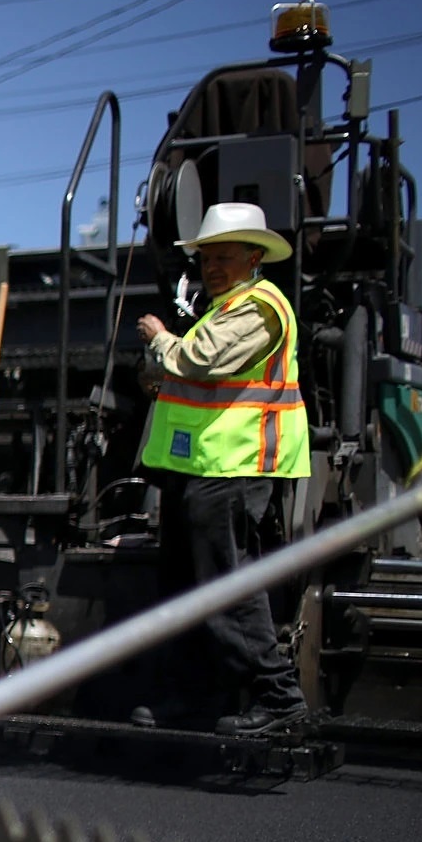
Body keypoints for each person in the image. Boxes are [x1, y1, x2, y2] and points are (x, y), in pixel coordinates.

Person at [133, 202, 310, 737]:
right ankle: (195, 696)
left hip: (234, 465)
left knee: (226, 585)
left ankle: (278, 696)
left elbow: (199, 359)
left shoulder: (259, 307)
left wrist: (161, 339)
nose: (211, 268)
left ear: (254, 257)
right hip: (202, 467)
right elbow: (195, 375)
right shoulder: (224, 310)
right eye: (206, 259)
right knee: (189, 587)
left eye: (224, 258)